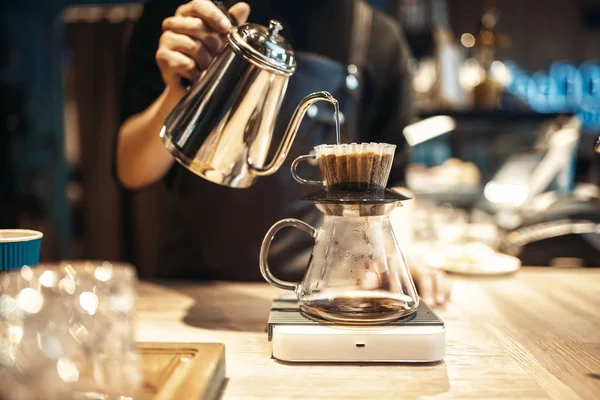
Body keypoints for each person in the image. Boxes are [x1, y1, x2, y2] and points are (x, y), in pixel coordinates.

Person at [115, 0, 451, 305]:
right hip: (195, 291)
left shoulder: (378, 37)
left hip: (328, 294)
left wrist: (398, 254)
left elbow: (392, 182)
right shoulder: (190, 20)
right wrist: (180, 91)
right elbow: (131, 169)